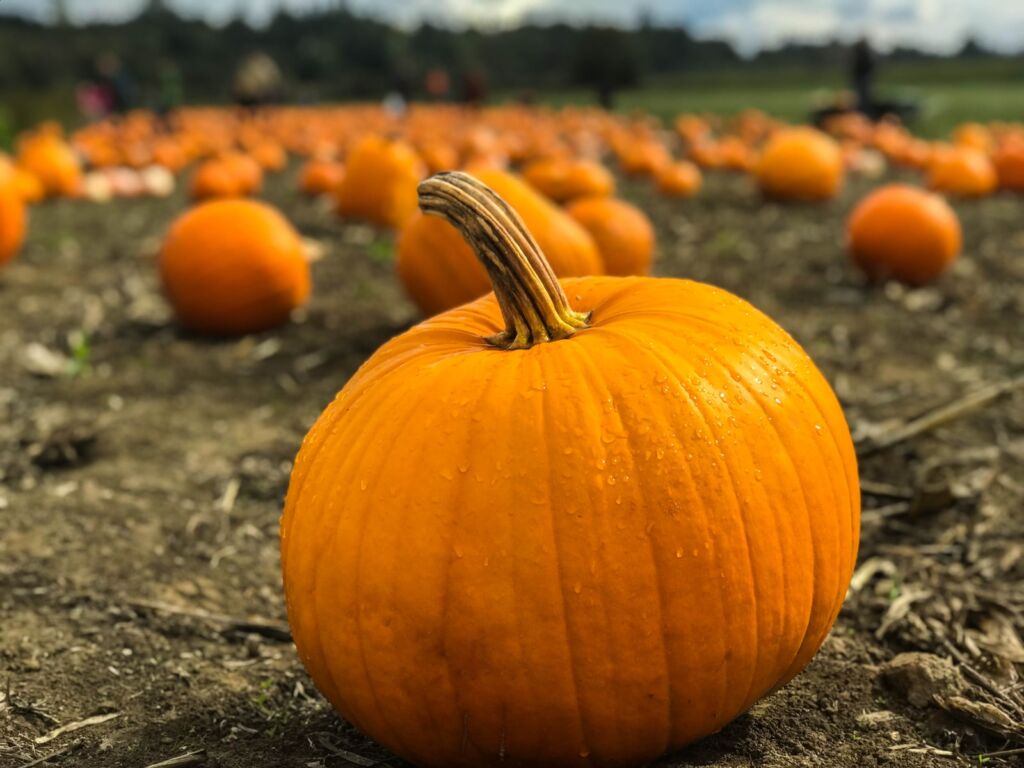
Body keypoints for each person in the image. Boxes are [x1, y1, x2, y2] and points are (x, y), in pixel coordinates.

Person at [851, 38, 876, 117]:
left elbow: (868, 65)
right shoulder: (860, 53)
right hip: (861, 78)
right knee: (860, 97)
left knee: (865, 97)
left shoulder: (864, 53)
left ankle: (865, 113)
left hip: (864, 78)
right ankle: (861, 112)